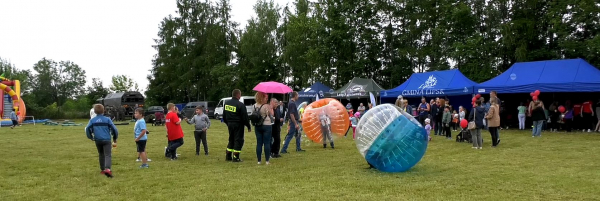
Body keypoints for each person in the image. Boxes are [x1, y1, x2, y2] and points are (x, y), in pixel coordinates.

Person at [85, 104, 119, 178]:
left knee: (101, 154)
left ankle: (102, 169)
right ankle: (108, 169)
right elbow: (114, 129)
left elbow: (87, 128)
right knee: (107, 154)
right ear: (104, 111)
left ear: (94, 111)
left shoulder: (92, 120)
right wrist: (115, 137)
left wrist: (90, 136)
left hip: (97, 140)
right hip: (106, 139)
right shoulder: (107, 119)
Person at [224, 89, 251, 162]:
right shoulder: (240, 105)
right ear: (238, 95)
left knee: (231, 139)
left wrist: (228, 123)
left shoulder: (226, 103)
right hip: (238, 124)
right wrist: (248, 126)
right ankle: (236, 157)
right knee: (238, 140)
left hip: (230, 124)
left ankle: (228, 155)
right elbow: (245, 117)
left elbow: (224, 116)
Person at [253, 92, 273, 165]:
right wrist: (270, 108)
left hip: (258, 125)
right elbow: (270, 114)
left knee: (259, 143)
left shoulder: (254, 106)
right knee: (267, 143)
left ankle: (259, 161)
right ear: (262, 98)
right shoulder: (266, 106)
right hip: (266, 125)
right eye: (266, 98)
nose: (267, 99)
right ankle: (267, 160)